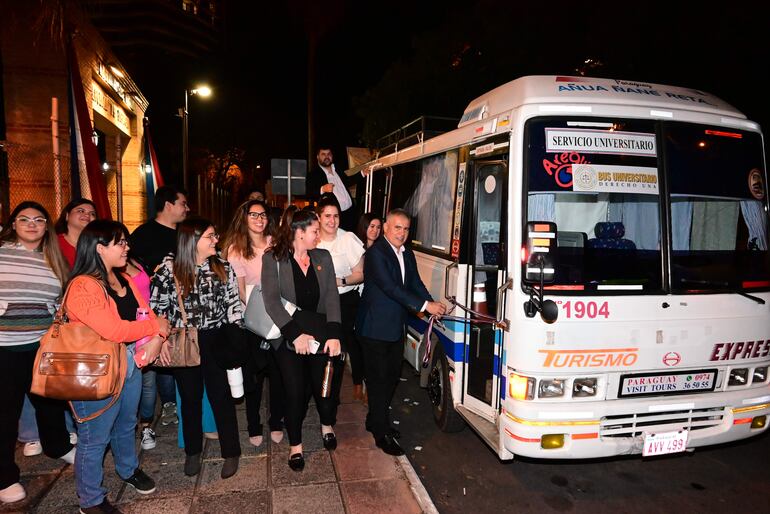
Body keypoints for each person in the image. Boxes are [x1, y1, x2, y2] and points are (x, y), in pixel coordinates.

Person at [65, 219, 169, 513]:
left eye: (126, 241)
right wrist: (156, 326)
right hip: (94, 368)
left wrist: (158, 333)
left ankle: (128, 469)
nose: (127, 247)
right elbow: (115, 330)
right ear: (99, 249)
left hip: (129, 363)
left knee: (126, 424)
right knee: (94, 437)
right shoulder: (83, 286)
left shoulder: (122, 279)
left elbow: (146, 313)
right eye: (120, 242)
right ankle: (91, 500)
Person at [150, 217, 243, 479]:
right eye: (211, 236)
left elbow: (233, 304)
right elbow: (157, 309)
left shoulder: (223, 266)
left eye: (215, 236)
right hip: (184, 341)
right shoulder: (169, 270)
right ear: (192, 241)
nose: (216, 241)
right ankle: (192, 452)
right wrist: (162, 339)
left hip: (216, 339)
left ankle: (231, 451)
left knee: (221, 397)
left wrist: (236, 337)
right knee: (189, 399)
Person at [0, 201, 76, 505]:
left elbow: (61, 303)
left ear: (47, 226)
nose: (32, 224)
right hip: (5, 347)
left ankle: (57, 446)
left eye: (39, 220)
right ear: (13, 224)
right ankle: (5, 477)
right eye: (24, 219)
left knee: (50, 403)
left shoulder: (54, 259)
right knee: (5, 413)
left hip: (42, 346)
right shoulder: (2, 252)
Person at [356, 208, 446, 456]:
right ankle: (381, 432)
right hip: (374, 328)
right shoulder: (376, 254)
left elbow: (414, 283)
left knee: (392, 376)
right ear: (386, 227)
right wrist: (425, 306)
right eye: (397, 227)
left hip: (395, 327)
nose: (402, 233)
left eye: (406, 229)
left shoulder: (407, 254)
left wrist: (431, 305)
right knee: (378, 381)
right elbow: (391, 287)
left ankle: (375, 420)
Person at [261, 209, 341, 471]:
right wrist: (296, 335)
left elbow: (331, 297)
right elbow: (271, 302)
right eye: (315, 231)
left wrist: (334, 334)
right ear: (299, 231)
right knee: (294, 392)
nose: (319, 235)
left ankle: (326, 423)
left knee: (325, 388)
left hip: (320, 332)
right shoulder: (273, 259)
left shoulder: (323, 257)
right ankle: (296, 444)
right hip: (289, 336)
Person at [223, 199, 286, 447]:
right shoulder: (237, 250)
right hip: (254, 320)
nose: (260, 219)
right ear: (244, 218)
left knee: (279, 372)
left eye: (263, 215)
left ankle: (277, 421)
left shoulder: (276, 243)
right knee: (254, 377)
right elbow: (239, 291)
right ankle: (253, 424)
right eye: (253, 215)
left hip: (280, 316)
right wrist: (265, 307)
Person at [131, 185, 189, 432]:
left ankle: (179, 401)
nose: (187, 208)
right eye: (183, 203)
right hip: (155, 306)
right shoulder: (143, 235)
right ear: (168, 205)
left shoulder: (184, 233)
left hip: (184, 306)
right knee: (160, 358)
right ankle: (165, 404)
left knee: (182, 352)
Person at [316, 196, 366, 403]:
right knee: (322, 349)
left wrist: (339, 281)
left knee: (347, 347)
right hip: (319, 304)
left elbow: (361, 273)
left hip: (346, 301)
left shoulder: (348, 239)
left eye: (336, 216)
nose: (332, 220)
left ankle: (352, 385)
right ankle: (325, 391)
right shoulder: (312, 238)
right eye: (327, 216)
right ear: (318, 217)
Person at [306, 147, 360, 231]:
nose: (327, 156)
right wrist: (322, 189)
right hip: (335, 218)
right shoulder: (313, 174)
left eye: (329, 154)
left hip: (351, 214)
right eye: (323, 154)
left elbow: (348, 181)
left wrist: (363, 173)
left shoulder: (338, 169)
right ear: (317, 157)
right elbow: (309, 193)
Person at [54, 198, 98, 268]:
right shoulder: (53, 243)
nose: (87, 215)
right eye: (81, 211)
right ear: (67, 216)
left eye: (92, 214)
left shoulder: (98, 245)